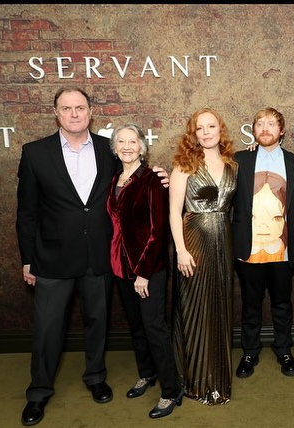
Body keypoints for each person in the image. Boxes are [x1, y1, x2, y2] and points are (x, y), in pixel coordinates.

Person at [16, 86, 167, 427]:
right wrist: (28, 259)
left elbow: (134, 177)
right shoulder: (35, 153)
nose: (74, 114)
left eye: (80, 107)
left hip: (99, 255)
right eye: (66, 108)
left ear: (90, 112)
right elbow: (27, 212)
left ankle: (96, 377)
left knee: (97, 321)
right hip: (52, 258)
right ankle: (38, 392)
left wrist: (161, 177)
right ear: (56, 113)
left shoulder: (107, 149)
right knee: (47, 329)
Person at [106, 124, 183, 418]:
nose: (127, 146)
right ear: (115, 148)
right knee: (136, 325)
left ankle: (171, 389)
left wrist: (144, 273)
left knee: (154, 327)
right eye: (121, 142)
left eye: (132, 141)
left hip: (149, 268)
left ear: (142, 146)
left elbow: (157, 231)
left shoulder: (152, 179)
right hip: (121, 265)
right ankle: (146, 372)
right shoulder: (115, 179)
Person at [169, 107, 238, 405]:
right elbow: (174, 212)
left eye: (211, 126)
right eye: (200, 128)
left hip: (223, 242)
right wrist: (181, 250)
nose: (206, 132)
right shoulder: (184, 164)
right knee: (195, 308)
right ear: (193, 134)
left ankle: (218, 377)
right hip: (193, 243)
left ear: (220, 130)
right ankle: (193, 379)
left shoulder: (232, 165)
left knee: (220, 306)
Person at [232, 107, 294, 378]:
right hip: (248, 248)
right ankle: (249, 352)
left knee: (282, 303)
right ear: (253, 130)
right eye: (260, 123)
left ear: (281, 130)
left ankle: (284, 349)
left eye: (271, 124)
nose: (265, 128)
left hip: (283, 249)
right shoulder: (239, 160)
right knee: (250, 305)